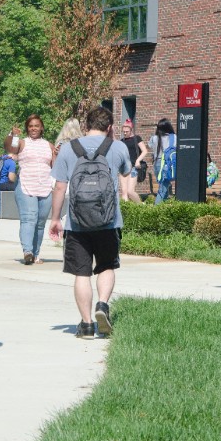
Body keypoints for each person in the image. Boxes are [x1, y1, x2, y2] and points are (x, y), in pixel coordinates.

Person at [48, 106, 133, 339]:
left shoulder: (68, 149)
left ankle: (86, 325)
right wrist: (113, 140)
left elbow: (59, 187)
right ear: (110, 127)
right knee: (106, 266)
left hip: (77, 223)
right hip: (109, 221)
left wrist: (56, 219)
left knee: (82, 273)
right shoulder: (118, 147)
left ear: (86, 126)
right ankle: (102, 305)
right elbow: (126, 171)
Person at [15, 114, 56, 264]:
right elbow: (10, 146)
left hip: (45, 187)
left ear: (41, 128)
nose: (33, 128)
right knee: (29, 218)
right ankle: (27, 251)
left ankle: (36, 254)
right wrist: (12, 135)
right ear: (27, 128)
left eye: (36, 125)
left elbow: (54, 167)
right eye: (31, 126)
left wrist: (56, 155)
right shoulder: (21, 143)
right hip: (26, 186)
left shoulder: (48, 145)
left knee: (40, 222)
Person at [150, 118, 177, 204]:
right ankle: (156, 208)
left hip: (157, 165)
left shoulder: (154, 138)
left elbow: (150, 147)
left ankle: (163, 208)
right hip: (167, 165)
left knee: (164, 186)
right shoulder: (173, 137)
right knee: (163, 189)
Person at [119, 118, 145, 203]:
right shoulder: (122, 141)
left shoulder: (136, 138)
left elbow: (144, 151)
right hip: (124, 168)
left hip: (134, 167)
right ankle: (126, 211)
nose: (125, 133)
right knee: (124, 192)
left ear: (131, 130)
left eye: (127, 131)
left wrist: (138, 160)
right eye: (124, 131)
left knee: (130, 191)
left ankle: (140, 206)